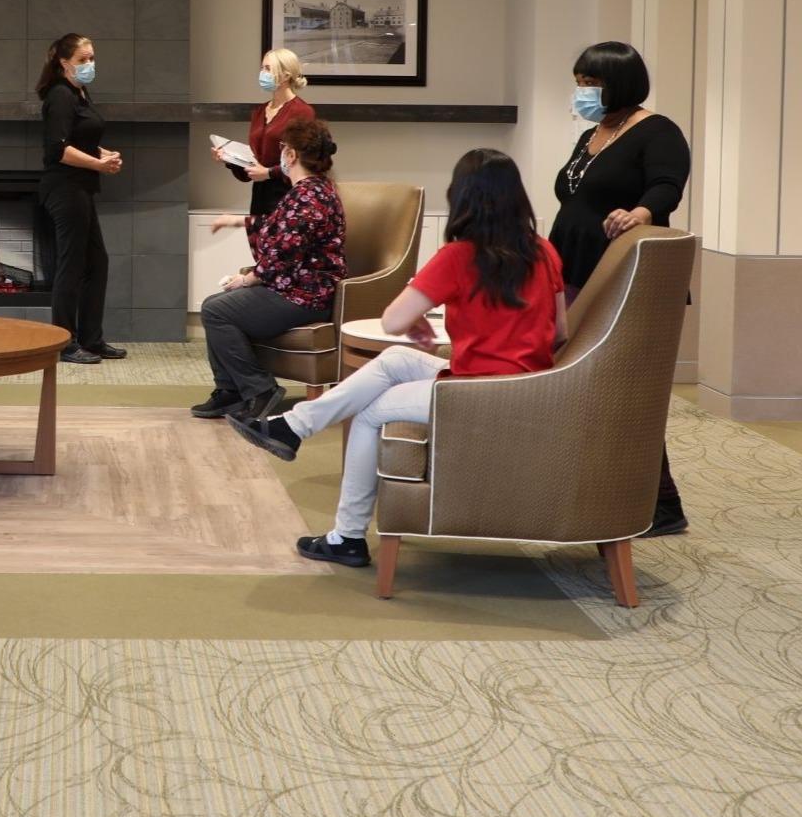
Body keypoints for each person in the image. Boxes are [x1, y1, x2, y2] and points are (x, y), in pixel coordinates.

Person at [229, 148, 568, 567]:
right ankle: (293, 426)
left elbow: (393, 319)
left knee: (371, 413)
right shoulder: (544, 251)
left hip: (476, 393)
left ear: (460, 197)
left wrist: (422, 311)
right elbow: (560, 333)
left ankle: (347, 537)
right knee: (394, 362)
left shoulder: (460, 256)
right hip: (532, 387)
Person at [549, 41, 692, 537]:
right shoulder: (594, 132)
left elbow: (668, 185)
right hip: (572, 272)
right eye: (580, 82)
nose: (583, 91)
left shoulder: (657, 131)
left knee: (623, 389)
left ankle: (663, 504)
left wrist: (641, 213)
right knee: (576, 382)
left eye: (591, 82)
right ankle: (591, 483)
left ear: (620, 83)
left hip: (620, 276)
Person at [191, 117, 347, 422]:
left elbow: (284, 250)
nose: (280, 155)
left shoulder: (309, 197)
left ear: (291, 156)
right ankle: (230, 391)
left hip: (305, 295)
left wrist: (248, 279)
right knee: (214, 306)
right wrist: (238, 221)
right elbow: (279, 227)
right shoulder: (311, 190)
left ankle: (259, 389)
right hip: (295, 286)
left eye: (283, 149)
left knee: (216, 311)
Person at [36, 34, 124, 365]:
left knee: (96, 263)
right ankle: (65, 342)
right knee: (70, 266)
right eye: (83, 60)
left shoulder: (80, 92)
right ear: (64, 63)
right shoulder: (60, 95)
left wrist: (105, 156)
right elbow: (58, 149)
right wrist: (99, 164)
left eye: (92, 58)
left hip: (82, 188)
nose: (90, 64)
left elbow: (81, 140)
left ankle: (92, 339)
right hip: (64, 189)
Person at [210, 47, 315, 224]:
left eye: (267, 68)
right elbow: (252, 167)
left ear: (285, 75)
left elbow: (307, 163)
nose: (262, 73)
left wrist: (268, 173)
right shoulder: (259, 112)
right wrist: (230, 159)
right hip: (260, 199)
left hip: (290, 199)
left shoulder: (302, 112)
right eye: (262, 68)